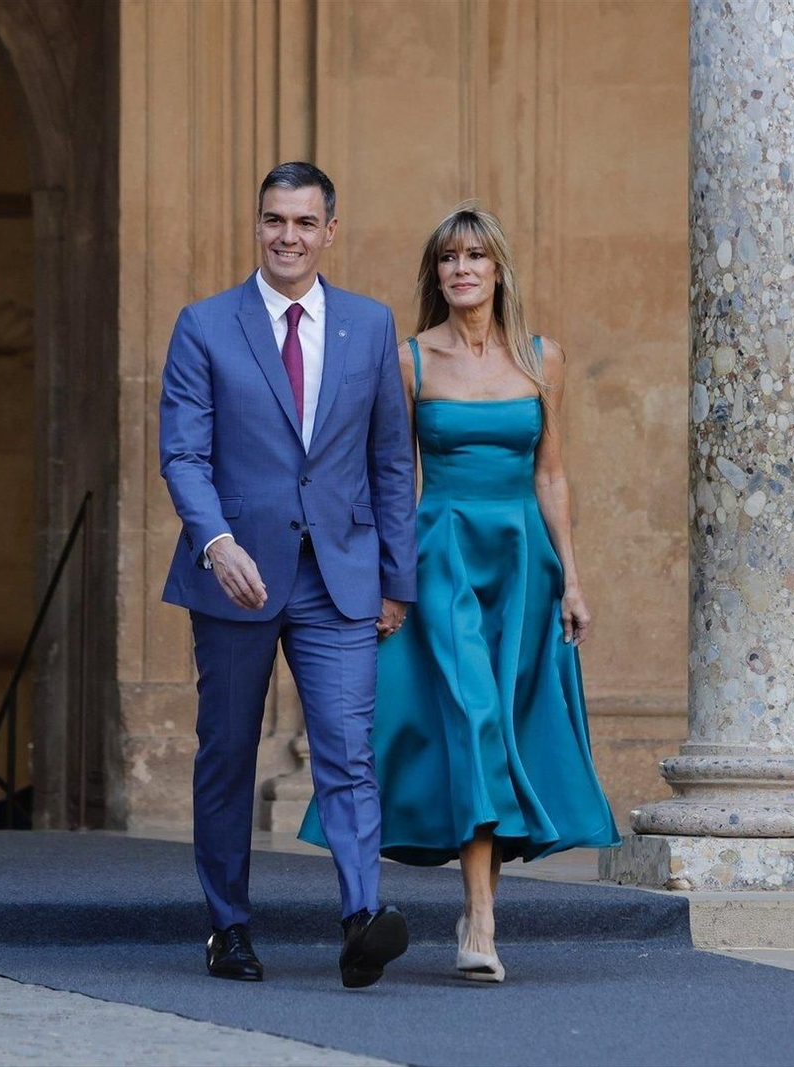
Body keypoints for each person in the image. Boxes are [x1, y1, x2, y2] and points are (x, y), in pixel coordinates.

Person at [300, 202, 620, 983]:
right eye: (448, 258)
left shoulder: (545, 357)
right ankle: (479, 919)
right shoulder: (410, 359)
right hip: (439, 554)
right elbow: (391, 475)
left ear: (499, 268)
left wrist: (572, 576)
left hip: (522, 564)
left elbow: (551, 471)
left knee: (503, 732)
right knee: (475, 718)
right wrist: (386, 577)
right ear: (435, 274)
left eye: (476, 255)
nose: (462, 269)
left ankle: (479, 907)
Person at [159, 162, 417, 988]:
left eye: (305, 222)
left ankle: (360, 919)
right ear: (257, 225)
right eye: (275, 220)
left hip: (338, 576)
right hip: (236, 576)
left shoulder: (370, 327)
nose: (288, 236)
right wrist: (215, 540)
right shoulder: (204, 325)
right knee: (229, 753)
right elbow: (183, 454)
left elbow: (389, 461)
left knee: (348, 750)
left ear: (330, 231)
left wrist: (395, 580)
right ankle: (227, 926)